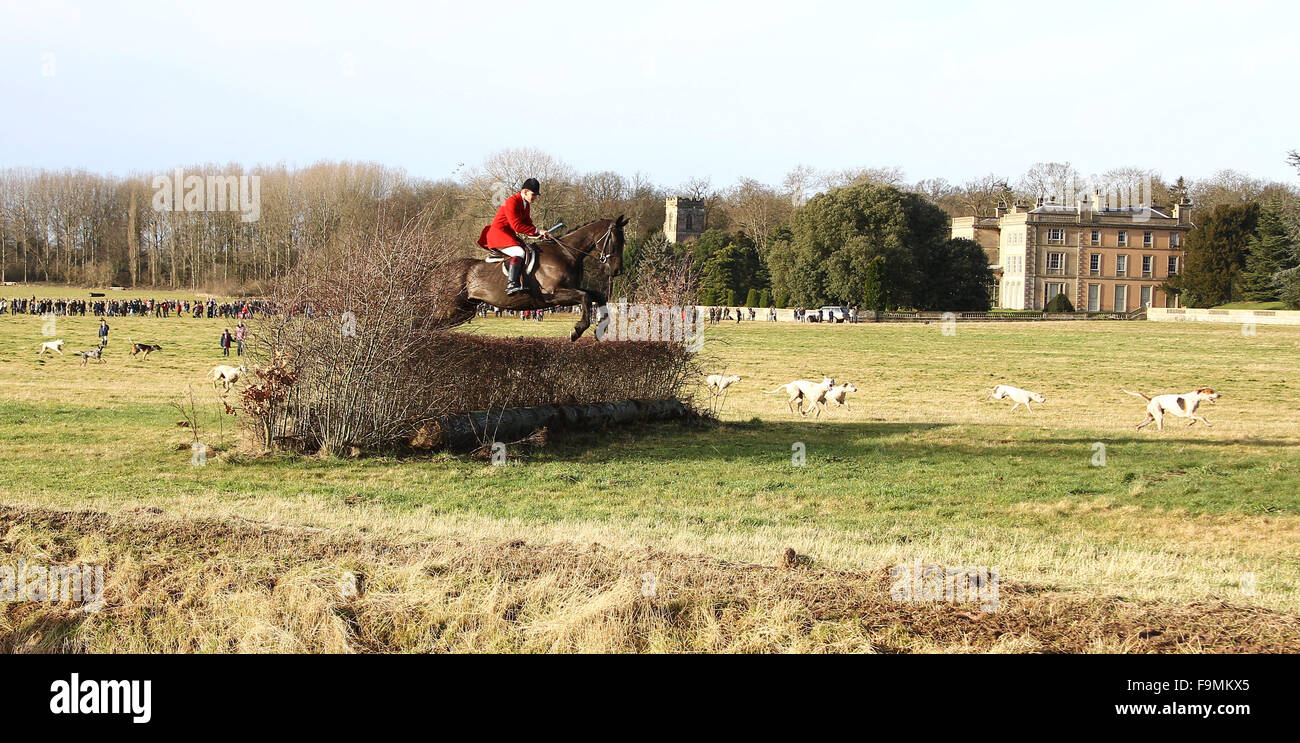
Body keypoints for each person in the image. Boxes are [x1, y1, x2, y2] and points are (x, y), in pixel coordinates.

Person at [477, 178, 548, 295]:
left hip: (508, 234)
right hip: (498, 234)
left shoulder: (525, 204)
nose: (535, 197)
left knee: (529, 250)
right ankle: (511, 284)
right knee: (519, 252)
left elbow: (527, 224)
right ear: (525, 191)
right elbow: (517, 226)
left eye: (536, 195)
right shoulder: (512, 202)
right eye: (533, 194)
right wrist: (537, 230)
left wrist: (538, 234)